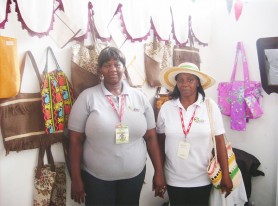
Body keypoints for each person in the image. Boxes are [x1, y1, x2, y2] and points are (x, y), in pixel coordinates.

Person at [68, 46, 166, 206]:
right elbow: (74, 140)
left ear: (124, 68)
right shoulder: (87, 98)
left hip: (134, 177)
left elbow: (151, 137)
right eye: (107, 65)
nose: (112, 69)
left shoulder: (139, 97)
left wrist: (159, 172)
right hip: (96, 179)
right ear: (100, 70)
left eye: (117, 64)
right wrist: (76, 178)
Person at [156, 62, 233, 206]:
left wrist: (226, 175)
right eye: (180, 80)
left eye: (190, 80)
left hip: (203, 178)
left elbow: (220, 142)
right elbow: (160, 143)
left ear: (198, 83)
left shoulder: (210, 106)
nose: (185, 84)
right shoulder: (167, 108)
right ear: (176, 83)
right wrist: (158, 173)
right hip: (173, 178)